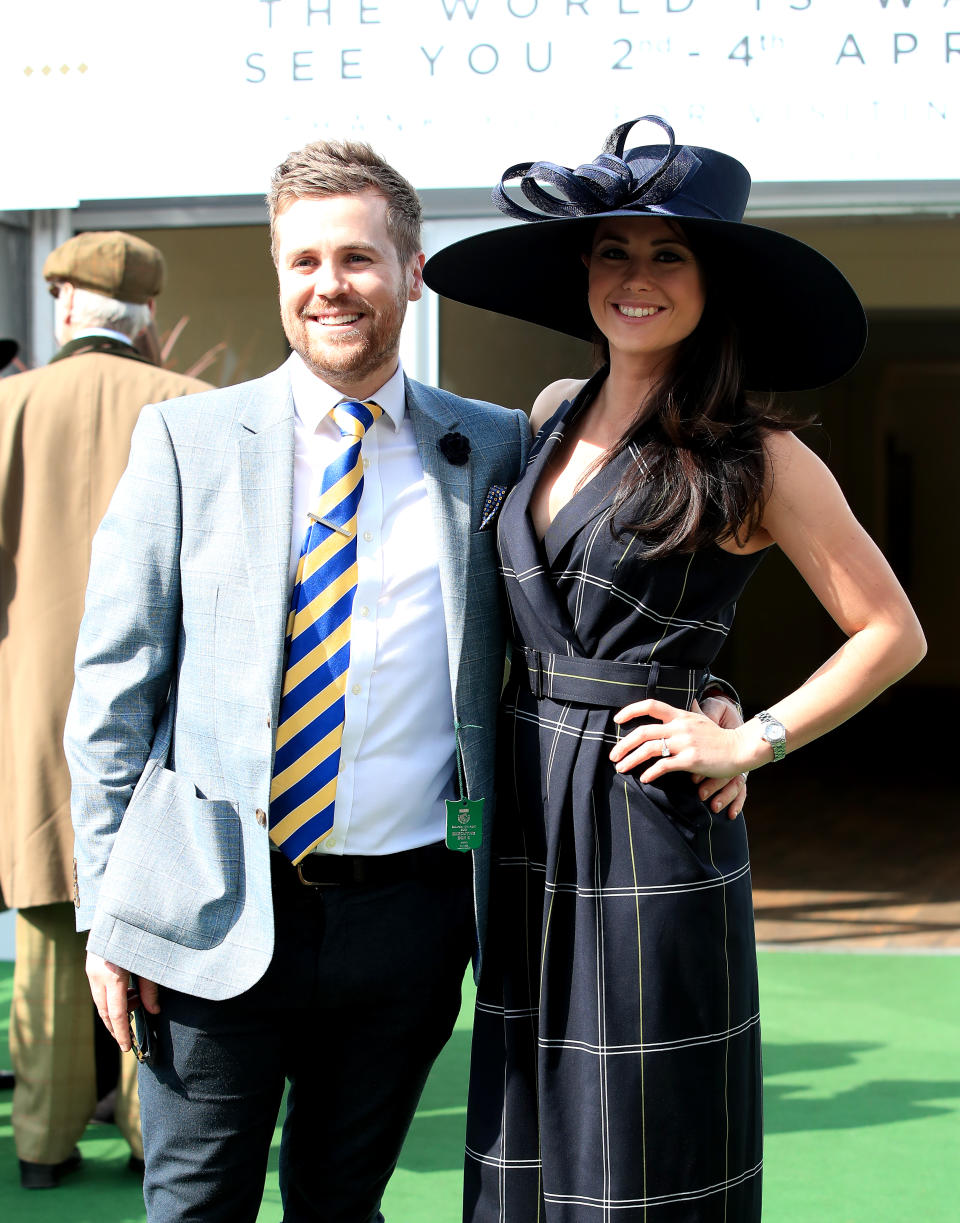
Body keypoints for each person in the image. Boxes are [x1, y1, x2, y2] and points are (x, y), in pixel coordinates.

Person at [423, 116, 926, 1222]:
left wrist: (750, 735)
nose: (634, 278)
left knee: (640, 1136)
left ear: (714, 282)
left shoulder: (758, 452)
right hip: (524, 813)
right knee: (528, 1114)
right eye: (612, 251)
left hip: (645, 816)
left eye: (667, 254)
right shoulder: (551, 412)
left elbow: (892, 628)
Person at [63, 140, 531, 1222]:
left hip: (409, 917)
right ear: (279, 271)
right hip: (213, 903)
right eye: (304, 260)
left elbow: (577, 618)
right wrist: (111, 911)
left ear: (413, 271)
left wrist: (708, 693)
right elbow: (113, 695)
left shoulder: (494, 448)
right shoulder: (183, 441)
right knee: (195, 1205)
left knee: (341, 1205)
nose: (331, 286)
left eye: (360, 258)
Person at [0, 231, 210, 1188]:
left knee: (48, 918)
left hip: (32, 701)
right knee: (153, 916)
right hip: (167, 700)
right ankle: (144, 1132)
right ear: (149, 316)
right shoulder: (200, 411)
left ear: (64, 307)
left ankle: (41, 1145)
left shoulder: (8, 405)